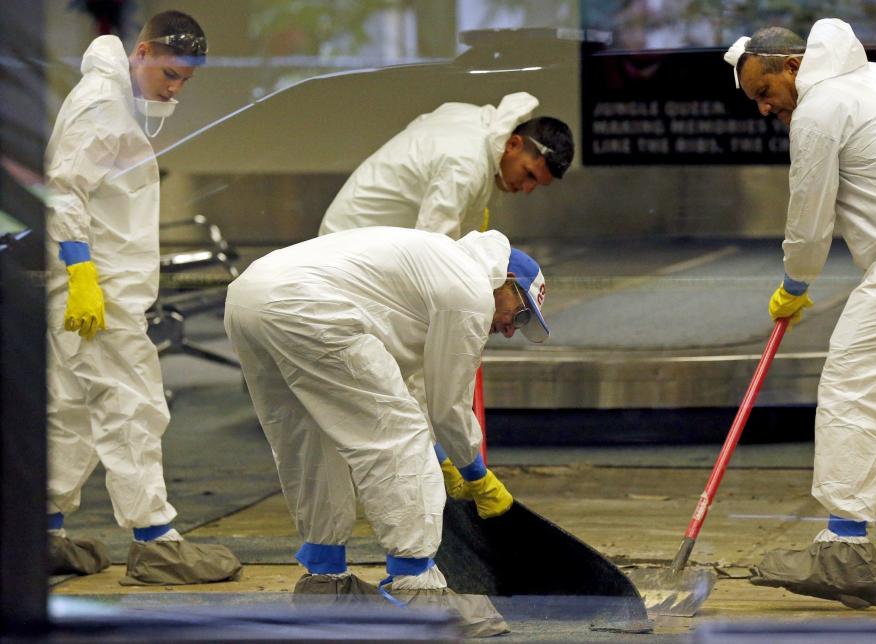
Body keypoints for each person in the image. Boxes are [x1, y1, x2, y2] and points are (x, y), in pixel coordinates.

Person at [724, 19, 876, 608]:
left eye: (764, 92)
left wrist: (794, 283)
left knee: (854, 386)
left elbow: (809, 218)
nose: (763, 108)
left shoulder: (819, 109)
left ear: (794, 66)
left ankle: (844, 552)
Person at [224, 226, 549, 636]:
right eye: (518, 315)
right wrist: (475, 473)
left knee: (306, 441)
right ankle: (418, 591)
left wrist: (443, 455)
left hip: (247, 298)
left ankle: (325, 581)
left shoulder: (437, 266)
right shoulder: (470, 289)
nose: (508, 329)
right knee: (397, 438)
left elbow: (413, 387)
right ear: (508, 281)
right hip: (310, 307)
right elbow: (448, 404)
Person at [45, 10, 242, 585]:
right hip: (95, 292)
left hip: (88, 289)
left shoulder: (113, 101)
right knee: (133, 405)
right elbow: (62, 191)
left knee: (71, 410)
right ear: (143, 52)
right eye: (171, 74)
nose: (175, 88)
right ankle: (154, 539)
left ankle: (42, 532)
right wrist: (82, 272)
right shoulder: (102, 105)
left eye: (186, 80)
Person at [317, 92, 574, 239]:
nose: (527, 189)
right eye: (529, 174)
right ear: (513, 144)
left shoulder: (472, 120)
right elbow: (436, 250)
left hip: (353, 236)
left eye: (536, 185)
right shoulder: (466, 163)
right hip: (349, 246)